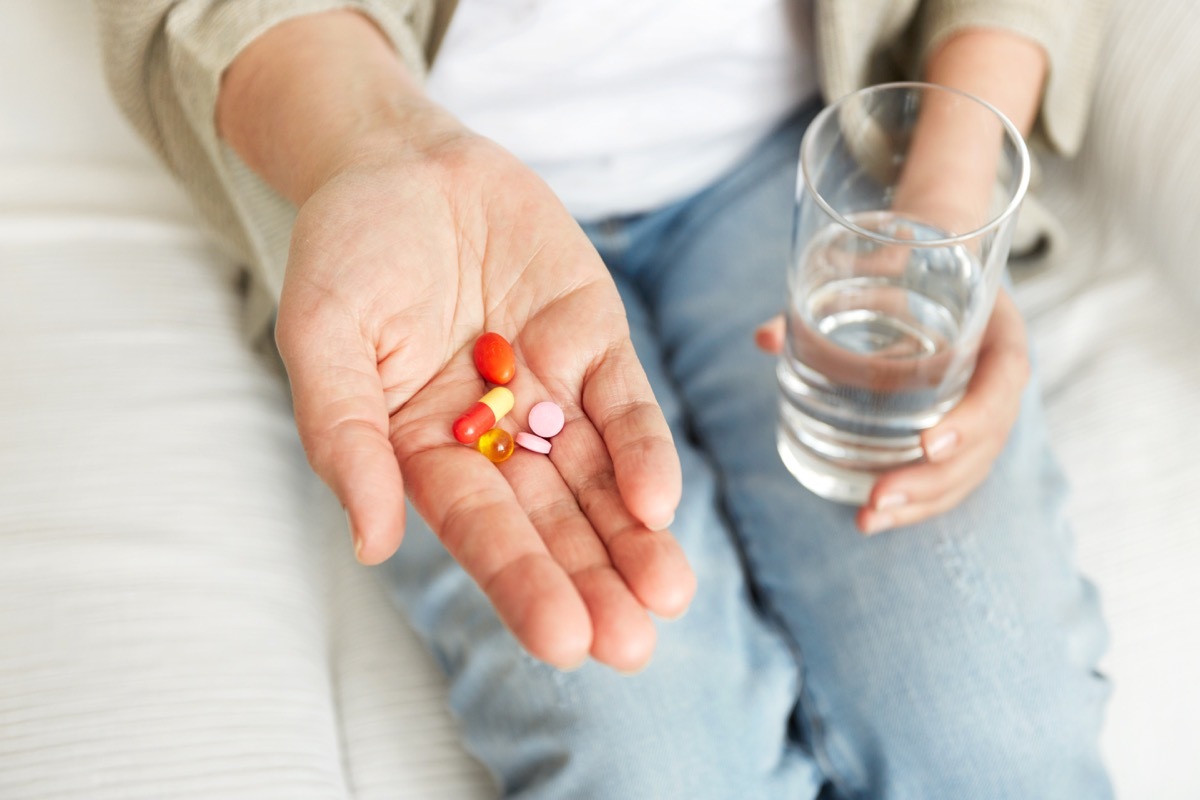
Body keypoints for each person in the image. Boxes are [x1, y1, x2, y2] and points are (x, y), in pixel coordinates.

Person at [96, 1, 1113, 796]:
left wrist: (943, 210)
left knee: (1003, 746)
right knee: (656, 773)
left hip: (810, 162)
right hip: (427, 231)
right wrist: (377, 147)